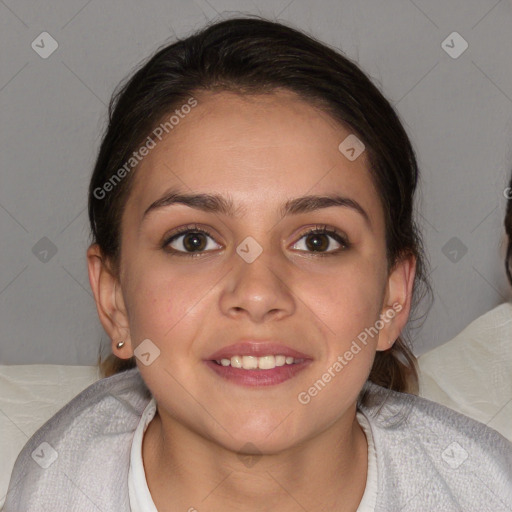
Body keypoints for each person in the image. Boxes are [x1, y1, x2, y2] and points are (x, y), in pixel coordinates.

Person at [3, 15, 511, 512]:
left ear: (392, 297)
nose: (258, 292)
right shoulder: (53, 486)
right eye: (194, 241)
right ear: (113, 298)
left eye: (317, 241)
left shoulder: (489, 491)